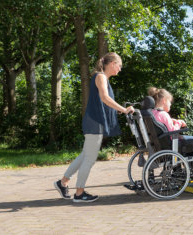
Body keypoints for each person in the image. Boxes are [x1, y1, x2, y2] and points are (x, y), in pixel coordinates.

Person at [54, 52, 134, 203]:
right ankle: (79, 193)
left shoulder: (101, 77)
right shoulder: (100, 77)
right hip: (94, 123)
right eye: (119, 66)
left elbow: (103, 102)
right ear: (112, 64)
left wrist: (116, 109)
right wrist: (123, 110)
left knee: (85, 155)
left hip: (93, 121)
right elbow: (105, 98)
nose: (120, 69)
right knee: (89, 159)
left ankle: (63, 182)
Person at [147, 87, 193, 169]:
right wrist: (179, 122)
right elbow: (173, 131)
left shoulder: (152, 113)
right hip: (171, 144)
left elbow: (161, 125)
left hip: (161, 144)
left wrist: (172, 120)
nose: (171, 104)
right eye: (170, 102)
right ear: (164, 101)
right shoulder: (164, 114)